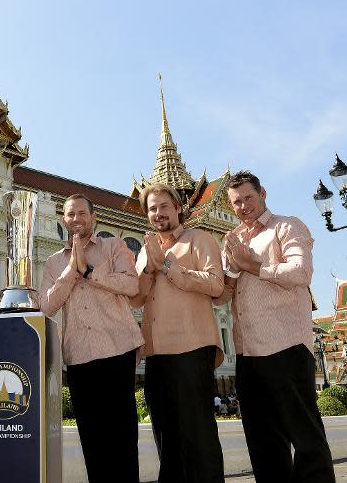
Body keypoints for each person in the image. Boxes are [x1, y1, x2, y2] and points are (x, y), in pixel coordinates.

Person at [215, 170, 334, 482]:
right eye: (236, 202)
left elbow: (300, 272)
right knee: (264, 444)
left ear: (262, 193)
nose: (243, 206)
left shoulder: (286, 226)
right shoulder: (234, 240)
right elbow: (224, 295)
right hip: (248, 353)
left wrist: (250, 265)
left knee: (306, 439)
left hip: (286, 345)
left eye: (248, 198)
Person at [40, 194, 143, 482]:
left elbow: (131, 284)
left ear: (93, 218)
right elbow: (46, 306)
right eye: (70, 214)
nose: (76, 219)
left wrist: (89, 272)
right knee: (92, 438)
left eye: (81, 213)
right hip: (79, 355)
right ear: (64, 220)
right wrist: (71, 272)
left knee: (122, 436)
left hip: (116, 349)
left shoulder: (113, 246)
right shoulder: (53, 263)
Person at [130, 183, 225, 482]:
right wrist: (149, 268)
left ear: (178, 207)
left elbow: (216, 284)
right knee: (166, 435)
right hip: (157, 352)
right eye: (152, 209)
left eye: (164, 206)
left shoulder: (200, 239)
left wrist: (168, 265)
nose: (158, 213)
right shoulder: (146, 251)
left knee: (198, 434)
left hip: (192, 346)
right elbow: (136, 298)